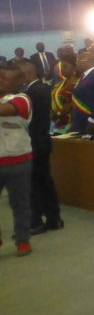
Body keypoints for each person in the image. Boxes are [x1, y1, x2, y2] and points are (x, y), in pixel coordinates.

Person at [16, 60, 61, 234]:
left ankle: (36, 221)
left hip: (34, 142)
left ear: (27, 74)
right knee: (44, 183)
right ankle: (53, 218)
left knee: (34, 185)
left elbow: (30, 120)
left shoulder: (33, 92)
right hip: (40, 141)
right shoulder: (39, 89)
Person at [0, 64, 34, 255]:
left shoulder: (22, 99)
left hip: (18, 161)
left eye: (4, 78)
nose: (0, 81)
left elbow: (6, 110)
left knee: (19, 203)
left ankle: (22, 241)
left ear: (18, 82)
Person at [70, 51, 94, 135]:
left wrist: (93, 119)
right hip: (80, 120)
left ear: (86, 61)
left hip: (90, 122)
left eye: (78, 60)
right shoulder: (84, 76)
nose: (76, 63)